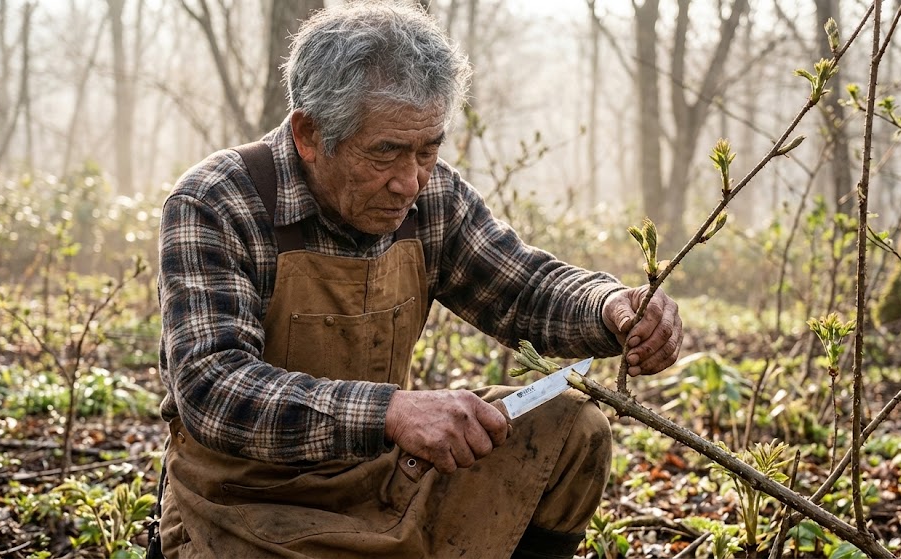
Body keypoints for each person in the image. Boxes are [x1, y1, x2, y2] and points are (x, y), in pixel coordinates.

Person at [155, 2, 682, 558]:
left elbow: (523, 287)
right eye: (384, 152)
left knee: (569, 428)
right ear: (310, 134)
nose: (409, 182)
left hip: (388, 482)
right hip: (244, 507)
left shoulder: (432, 198)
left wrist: (609, 305)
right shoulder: (217, 202)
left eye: (427, 150)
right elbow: (213, 388)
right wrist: (391, 411)